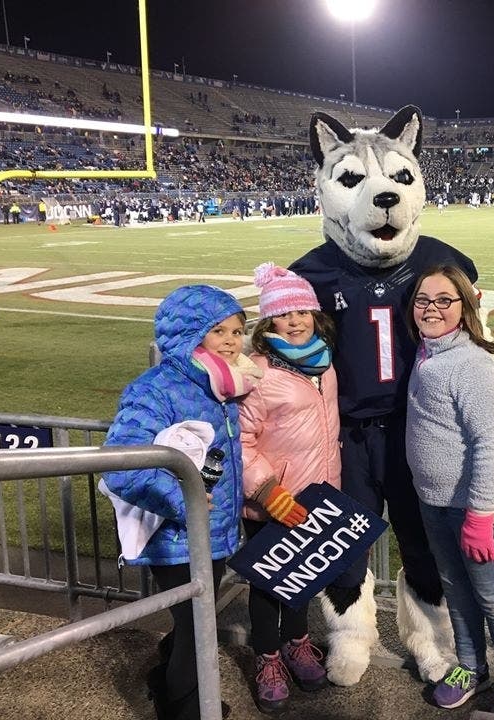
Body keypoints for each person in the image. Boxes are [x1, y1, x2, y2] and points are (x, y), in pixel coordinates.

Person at [102, 284, 252, 720]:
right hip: (176, 535)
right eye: (218, 331)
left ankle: (165, 675)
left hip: (213, 533)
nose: (231, 341)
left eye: (238, 331)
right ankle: (185, 707)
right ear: (187, 335)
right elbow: (122, 466)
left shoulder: (223, 387)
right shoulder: (155, 389)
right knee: (196, 627)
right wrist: (183, 501)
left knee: (191, 621)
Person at [405, 264, 494, 717]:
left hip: (478, 507)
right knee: (457, 592)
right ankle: (471, 668)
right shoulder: (427, 353)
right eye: (423, 299)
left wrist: (480, 515)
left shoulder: (471, 363)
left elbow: (491, 443)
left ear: (465, 305)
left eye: (443, 300)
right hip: (436, 502)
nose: (431, 308)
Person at [238, 263, 340, 711]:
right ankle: (268, 659)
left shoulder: (325, 362)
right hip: (273, 502)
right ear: (268, 322)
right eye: (285, 313)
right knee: (267, 586)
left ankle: (298, 644)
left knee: (301, 579)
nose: (296, 320)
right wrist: (266, 491)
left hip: (315, 496)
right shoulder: (258, 372)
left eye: (302, 311)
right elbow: (238, 441)